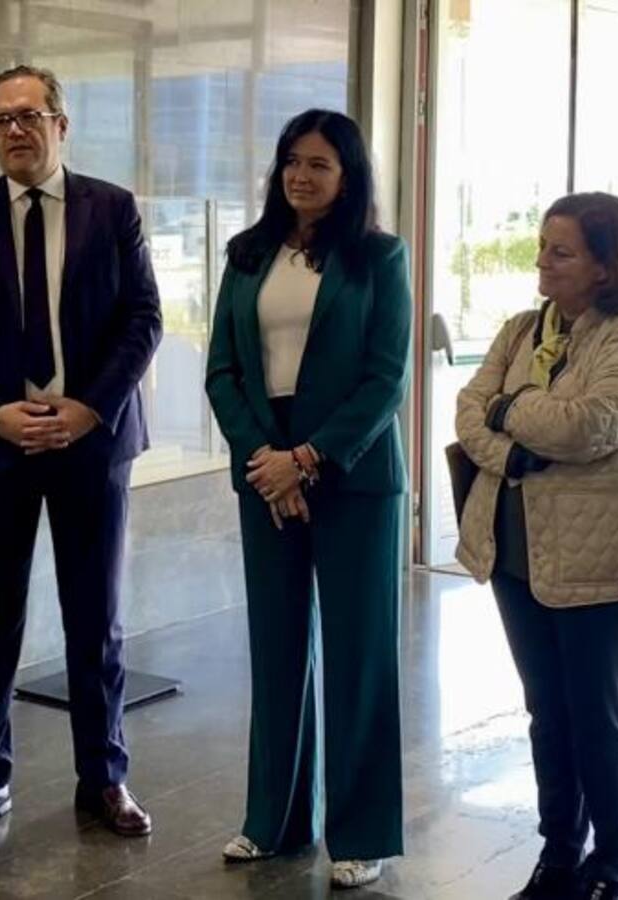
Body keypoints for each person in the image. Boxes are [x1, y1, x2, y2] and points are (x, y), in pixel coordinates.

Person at [0, 65, 162, 842]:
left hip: (92, 443)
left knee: (96, 619)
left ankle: (105, 778)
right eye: (1, 119)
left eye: (28, 115)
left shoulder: (112, 208)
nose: (14, 130)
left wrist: (90, 409)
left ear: (61, 123)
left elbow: (144, 318)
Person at [205, 108, 411, 890]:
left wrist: (309, 459)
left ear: (348, 176)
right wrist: (266, 460)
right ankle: (276, 822)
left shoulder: (379, 257)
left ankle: (363, 832)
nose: (301, 175)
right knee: (277, 648)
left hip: (351, 473)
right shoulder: (248, 254)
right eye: (292, 160)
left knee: (359, 656)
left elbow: (386, 378)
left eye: (320, 163)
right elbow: (223, 369)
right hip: (266, 466)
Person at [455, 192, 618, 900]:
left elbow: (588, 427)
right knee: (547, 712)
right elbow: (468, 412)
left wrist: (511, 408)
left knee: (596, 717)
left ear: (606, 266)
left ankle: (612, 866)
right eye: (543, 246)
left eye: (561, 251)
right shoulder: (520, 330)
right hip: (515, 554)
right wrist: (512, 451)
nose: (542, 261)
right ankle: (558, 855)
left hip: (601, 563)